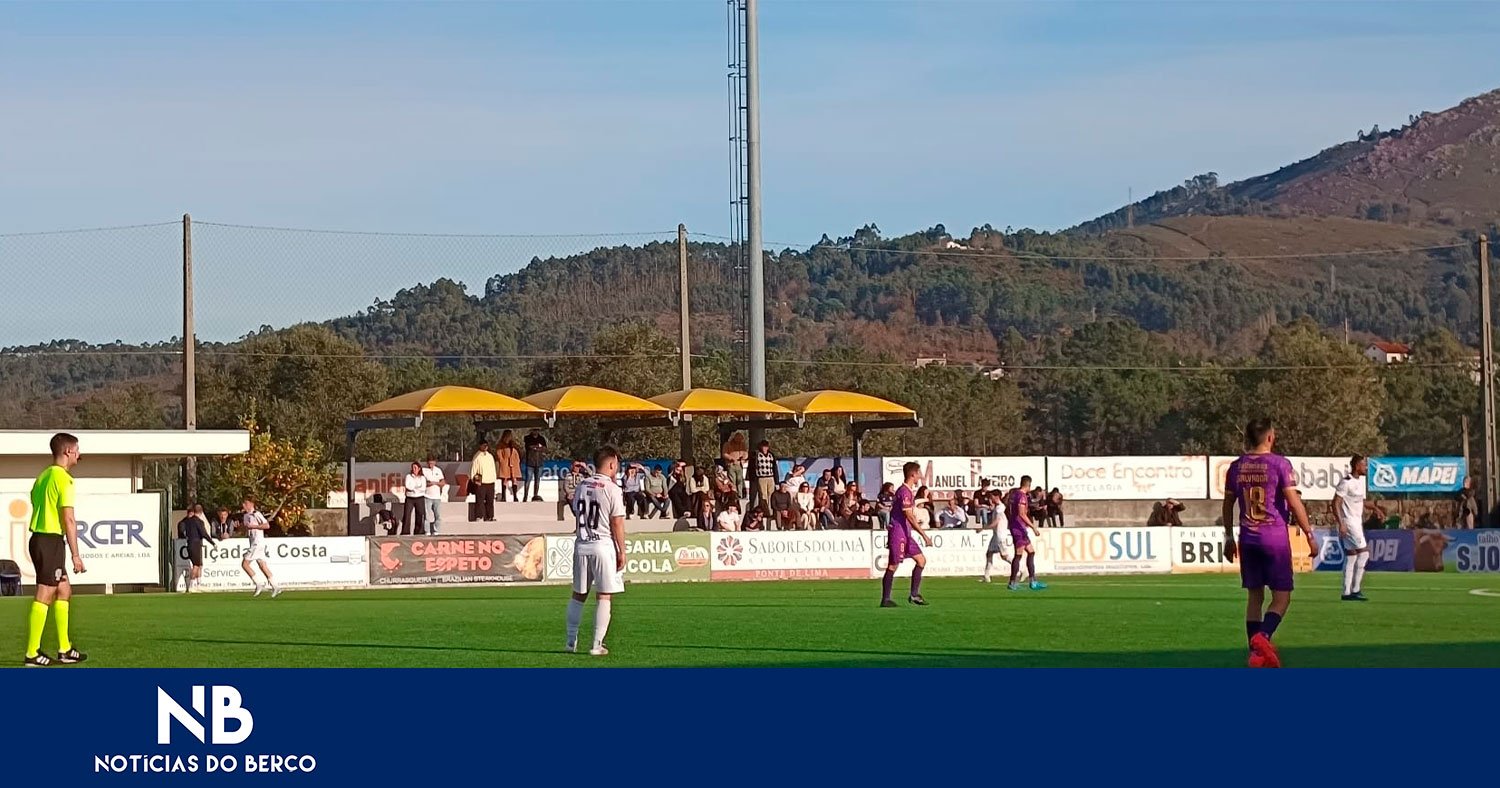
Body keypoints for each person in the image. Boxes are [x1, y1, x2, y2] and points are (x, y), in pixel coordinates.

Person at [1222, 418, 1317, 669]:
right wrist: (1309, 534)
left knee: (1255, 596)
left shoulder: (1236, 467)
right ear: (1270, 438)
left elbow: (1227, 504)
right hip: (1273, 538)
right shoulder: (1279, 464)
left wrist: (1228, 536)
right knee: (1282, 597)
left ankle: (1254, 654)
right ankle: (1262, 638)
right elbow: (1294, 502)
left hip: (1247, 537)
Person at [23, 433, 87, 666]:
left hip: (40, 539)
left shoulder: (42, 477)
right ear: (68, 451)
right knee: (46, 592)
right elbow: (68, 519)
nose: (79, 455)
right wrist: (76, 555)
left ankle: (64, 649)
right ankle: (32, 653)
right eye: (77, 450)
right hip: (49, 540)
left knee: (64, 590)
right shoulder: (64, 479)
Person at [565, 445, 627, 656]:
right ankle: (596, 644)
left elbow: (576, 510)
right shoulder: (612, 488)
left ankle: (570, 641)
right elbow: (617, 522)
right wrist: (622, 550)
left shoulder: (582, 485)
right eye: (616, 464)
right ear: (611, 463)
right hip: (602, 544)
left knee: (578, 595)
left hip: (582, 544)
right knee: (604, 595)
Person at [880, 461, 933, 607]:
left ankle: (914, 595)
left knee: (921, 560)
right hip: (899, 533)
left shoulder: (908, 491)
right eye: (918, 474)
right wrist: (924, 534)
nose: (920, 477)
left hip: (906, 533)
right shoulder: (904, 491)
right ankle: (885, 599)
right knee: (893, 565)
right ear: (913, 474)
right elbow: (909, 515)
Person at [1333, 455, 1375, 602]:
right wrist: (1341, 523)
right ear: (1357, 466)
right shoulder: (1346, 482)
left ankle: (1346, 592)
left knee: (1351, 556)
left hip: (1356, 522)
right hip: (1349, 522)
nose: (1366, 468)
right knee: (1364, 554)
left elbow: (1361, 502)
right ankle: (1356, 590)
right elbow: (1335, 503)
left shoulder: (1359, 482)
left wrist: (1376, 508)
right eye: (1364, 465)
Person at [1005, 477, 1046, 590]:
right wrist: (1033, 527)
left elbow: (1007, 510)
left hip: (1016, 526)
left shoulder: (1013, 494)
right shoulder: (1022, 496)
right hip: (1019, 528)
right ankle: (1012, 582)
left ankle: (1033, 581)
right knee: (1018, 554)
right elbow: (1022, 514)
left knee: (1031, 552)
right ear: (1028, 485)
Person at [239, 498, 279, 598]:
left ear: (251, 504)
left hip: (258, 543)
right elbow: (246, 530)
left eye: (246, 503)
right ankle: (276, 586)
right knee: (262, 565)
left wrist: (254, 527)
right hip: (253, 542)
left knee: (245, 564)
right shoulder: (245, 516)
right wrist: (240, 527)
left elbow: (266, 525)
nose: (244, 505)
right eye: (243, 503)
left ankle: (259, 584)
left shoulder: (256, 514)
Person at [180, 504, 218, 593]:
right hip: (196, 544)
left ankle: (199, 584)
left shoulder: (188, 521)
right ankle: (192, 585)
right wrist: (213, 543)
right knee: (196, 565)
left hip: (189, 543)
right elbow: (204, 534)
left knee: (200, 564)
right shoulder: (199, 522)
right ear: (201, 512)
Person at [980, 489, 1011, 583]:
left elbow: (996, 522)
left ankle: (1022, 570)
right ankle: (986, 576)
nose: (990, 498)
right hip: (996, 535)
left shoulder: (1000, 508)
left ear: (996, 497)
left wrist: (984, 528)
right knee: (989, 553)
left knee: (1004, 556)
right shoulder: (997, 507)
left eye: (991, 497)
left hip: (1000, 535)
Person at [748, 440, 778, 515]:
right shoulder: (757, 455)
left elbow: (774, 467)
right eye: (763, 447)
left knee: (771, 495)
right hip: (761, 477)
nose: (765, 448)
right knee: (763, 495)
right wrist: (752, 477)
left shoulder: (771, 455)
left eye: (766, 447)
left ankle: (771, 511)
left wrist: (776, 480)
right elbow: (752, 467)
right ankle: (765, 511)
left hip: (770, 477)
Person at [470, 441, 497, 522]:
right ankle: (479, 516)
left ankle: (490, 516)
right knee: (480, 500)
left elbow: (493, 468)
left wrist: (494, 478)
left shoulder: (490, 456)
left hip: (490, 481)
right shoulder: (477, 457)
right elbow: (473, 470)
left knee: (490, 500)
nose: (485, 447)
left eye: (486, 445)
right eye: (483, 445)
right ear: (480, 446)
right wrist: (474, 480)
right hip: (481, 482)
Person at [496, 430, 523, 503]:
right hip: (505, 464)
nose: (509, 437)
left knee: (514, 479)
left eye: (510, 435)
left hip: (513, 464)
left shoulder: (513, 444)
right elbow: (498, 453)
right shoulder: (501, 444)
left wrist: (517, 460)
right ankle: (504, 497)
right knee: (504, 479)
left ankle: (515, 496)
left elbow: (518, 451)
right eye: (508, 435)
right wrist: (502, 460)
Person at [402, 461, 427, 535]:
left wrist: (414, 488)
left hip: (420, 497)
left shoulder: (422, 478)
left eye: (415, 468)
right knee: (407, 515)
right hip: (410, 497)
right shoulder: (408, 476)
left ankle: (419, 532)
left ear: (419, 468)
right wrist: (416, 488)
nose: (414, 469)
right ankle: (405, 532)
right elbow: (408, 486)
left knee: (420, 515)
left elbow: (423, 488)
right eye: (413, 467)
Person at [422, 455, 445, 535]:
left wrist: (435, 483)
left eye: (432, 463)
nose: (430, 465)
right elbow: (422, 483)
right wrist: (429, 484)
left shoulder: (438, 470)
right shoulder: (424, 470)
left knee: (438, 515)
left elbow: (443, 483)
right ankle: (427, 531)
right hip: (427, 496)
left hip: (437, 497)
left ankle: (436, 531)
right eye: (429, 463)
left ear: (435, 462)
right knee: (427, 516)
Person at [523, 429, 548, 502]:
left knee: (537, 481)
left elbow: (545, 449)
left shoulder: (541, 438)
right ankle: (525, 497)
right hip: (530, 462)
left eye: (536, 430)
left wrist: (537, 448)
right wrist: (539, 447)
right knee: (528, 480)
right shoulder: (527, 438)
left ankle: (535, 496)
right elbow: (529, 447)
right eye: (534, 430)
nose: (535, 431)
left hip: (539, 462)